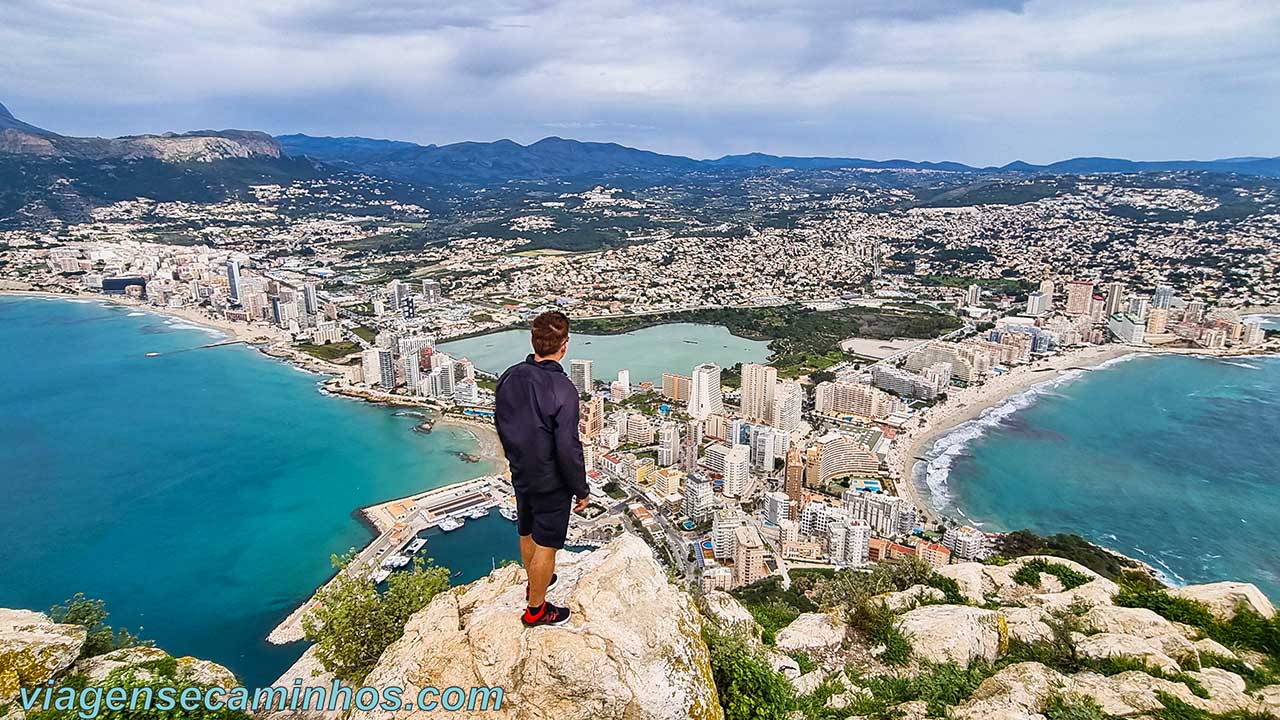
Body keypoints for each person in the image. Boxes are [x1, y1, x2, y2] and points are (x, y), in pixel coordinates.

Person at [494, 310, 590, 627]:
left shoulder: (509, 377)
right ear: (565, 346)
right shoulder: (562, 389)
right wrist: (580, 488)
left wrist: (515, 460)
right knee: (547, 543)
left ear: (534, 341)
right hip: (551, 480)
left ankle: (535, 581)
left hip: (521, 472)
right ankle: (536, 609)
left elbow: (501, 424)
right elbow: (568, 446)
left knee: (527, 530)